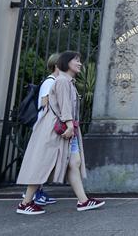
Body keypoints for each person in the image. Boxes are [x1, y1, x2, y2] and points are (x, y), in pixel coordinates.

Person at [15, 51, 104, 214]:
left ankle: (83, 201)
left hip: (66, 130)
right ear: (66, 63)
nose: (80, 64)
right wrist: (70, 125)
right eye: (76, 61)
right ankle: (25, 203)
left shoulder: (68, 81)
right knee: (42, 164)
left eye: (80, 61)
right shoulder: (62, 81)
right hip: (58, 131)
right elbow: (64, 107)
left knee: (74, 163)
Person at [23, 53, 60, 207]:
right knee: (40, 161)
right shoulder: (50, 82)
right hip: (44, 127)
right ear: (57, 65)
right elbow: (45, 103)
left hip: (47, 126)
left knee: (44, 161)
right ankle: (31, 195)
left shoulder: (56, 81)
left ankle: (37, 192)